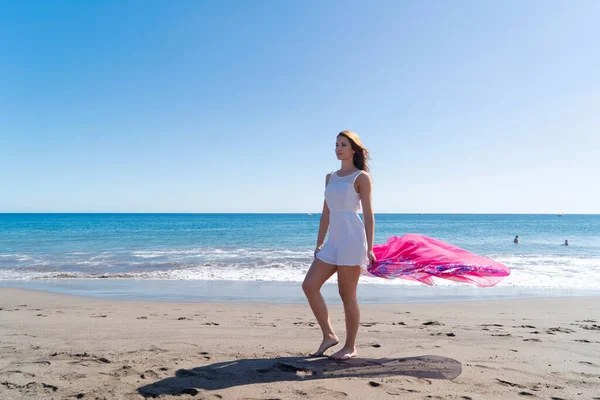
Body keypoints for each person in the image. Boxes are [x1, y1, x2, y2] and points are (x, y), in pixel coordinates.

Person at [302, 130, 375, 361]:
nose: (338, 148)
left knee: (347, 294)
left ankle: (350, 346)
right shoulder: (330, 177)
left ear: (354, 149)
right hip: (333, 240)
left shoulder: (361, 177)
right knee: (309, 285)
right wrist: (320, 241)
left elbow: (369, 215)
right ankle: (328, 335)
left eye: (343, 144)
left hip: (353, 238)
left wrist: (370, 248)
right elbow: (326, 213)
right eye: (336, 144)